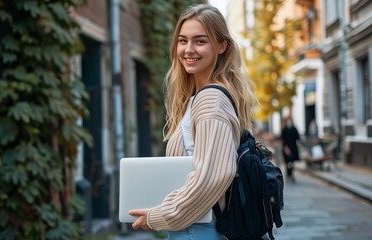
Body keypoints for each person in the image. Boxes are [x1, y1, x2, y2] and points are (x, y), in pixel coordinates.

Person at [128, 4, 257, 239]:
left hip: (199, 228)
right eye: (182, 40)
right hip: (195, 225)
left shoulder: (211, 98)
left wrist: (160, 216)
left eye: (200, 41)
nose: (188, 49)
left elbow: (215, 175)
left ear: (221, 45)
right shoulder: (199, 97)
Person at [281, 116, 300, 183]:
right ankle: (288, 174)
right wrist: (285, 148)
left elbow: (298, 137)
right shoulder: (284, 129)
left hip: (293, 148)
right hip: (287, 148)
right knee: (287, 162)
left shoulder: (294, 129)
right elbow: (283, 140)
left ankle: (291, 174)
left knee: (292, 162)